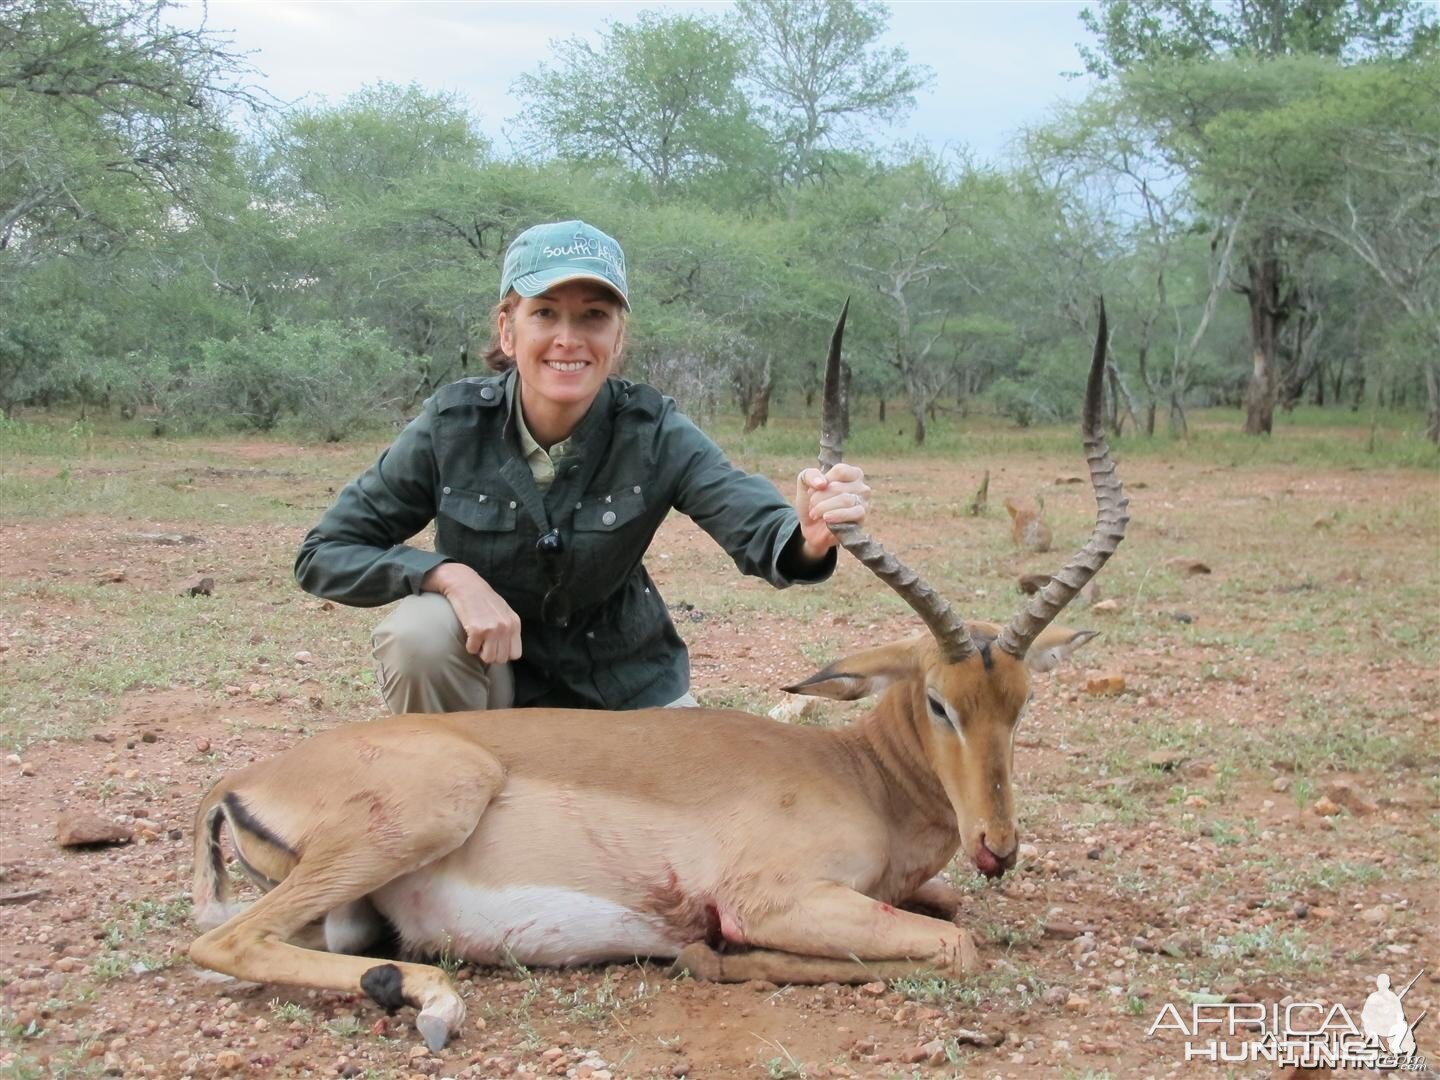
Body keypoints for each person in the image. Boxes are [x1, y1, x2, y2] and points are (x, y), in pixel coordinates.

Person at [295, 219, 870, 714]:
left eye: (593, 316)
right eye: (545, 313)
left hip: (625, 692)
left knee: (690, 829)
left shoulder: (654, 429)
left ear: (617, 337)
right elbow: (325, 553)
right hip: (494, 688)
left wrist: (810, 534)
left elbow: (760, 529)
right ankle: (455, 790)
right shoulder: (452, 425)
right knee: (417, 633)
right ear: (507, 328)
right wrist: (447, 576)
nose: (567, 339)